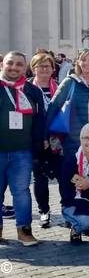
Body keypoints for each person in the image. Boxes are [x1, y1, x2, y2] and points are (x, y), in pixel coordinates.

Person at [0, 51, 45, 246]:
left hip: (22, 152)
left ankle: (24, 231)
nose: (14, 67)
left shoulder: (32, 91)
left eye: (19, 64)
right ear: (3, 64)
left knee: (21, 192)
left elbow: (40, 119)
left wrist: (39, 144)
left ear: (24, 67)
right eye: (10, 63)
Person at [47, 48, 89, 157]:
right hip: (74, 140)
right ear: (78, 62)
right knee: (74, 172)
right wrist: (46, 136)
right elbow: (53, 107)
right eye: (83, 60)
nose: (87, 63)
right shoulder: (70, 82)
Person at [28, 52, 60, 229]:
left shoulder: (60, 87)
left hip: (58, 140)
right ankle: (44, 211)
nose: (44, 69)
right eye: (40, 66)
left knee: (63, 176)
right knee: (39, 178)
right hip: (37, 141)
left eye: (47, 66)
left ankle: (67, 208)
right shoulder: (27, 89)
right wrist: (41, 137)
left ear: (53, 69)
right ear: (34, 68)